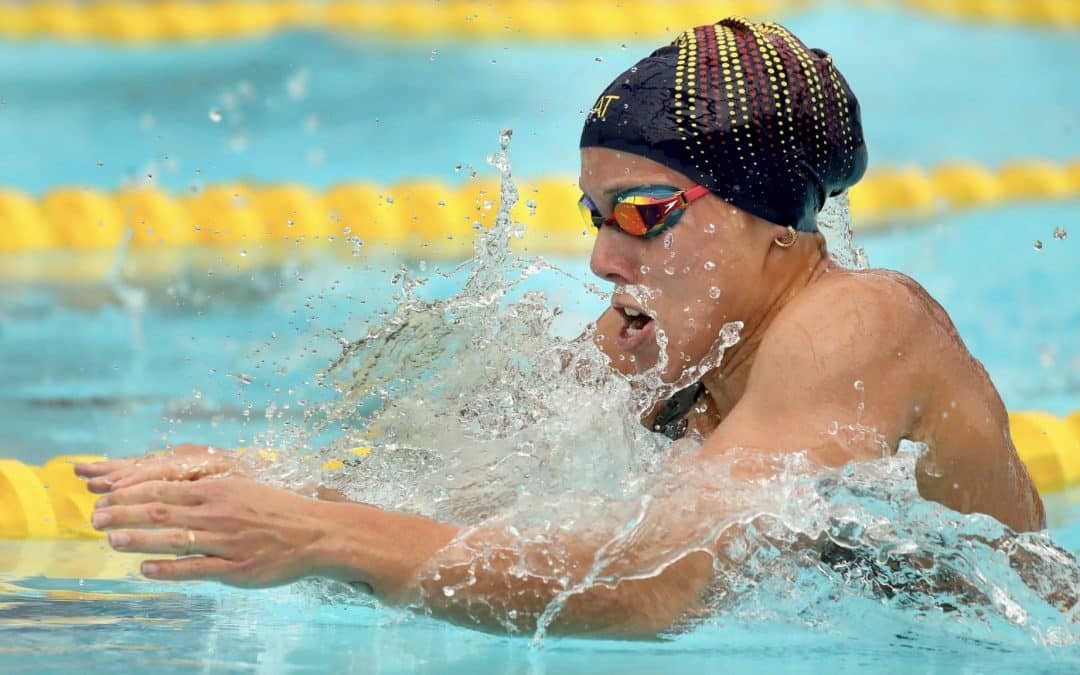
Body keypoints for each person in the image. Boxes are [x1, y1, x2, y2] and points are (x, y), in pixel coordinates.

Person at [75, 17, 1044, 638]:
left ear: (769, 214)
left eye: (643, 213)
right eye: (596, 216)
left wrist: (331, 534)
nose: (604, 260)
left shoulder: (859, 323)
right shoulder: (664, 341)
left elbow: (659, 589)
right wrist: (276, 493)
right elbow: (485, 495)